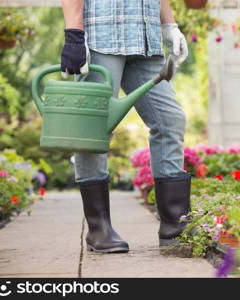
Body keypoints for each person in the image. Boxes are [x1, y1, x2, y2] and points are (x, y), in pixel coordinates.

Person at [61, 0, 190, 253]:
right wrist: (74, 34)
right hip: (102, 38)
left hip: (146, 41)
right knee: (94, 130)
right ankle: (99, 229)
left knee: (170, 119)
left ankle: (175, 224)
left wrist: (169, 25)